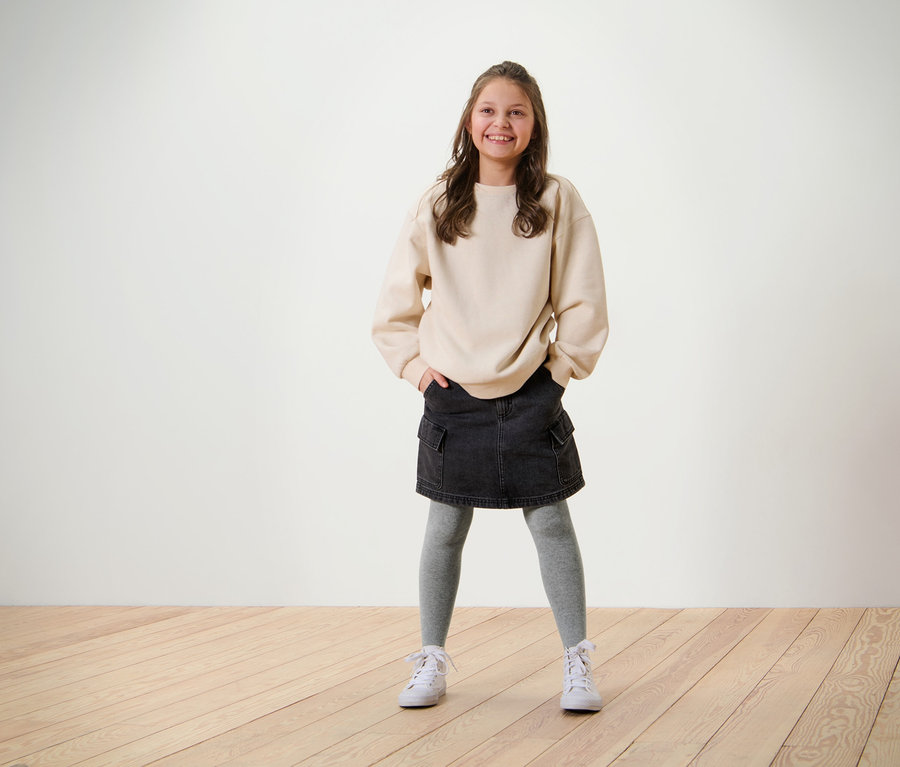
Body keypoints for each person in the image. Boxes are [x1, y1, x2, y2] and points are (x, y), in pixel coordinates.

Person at [372, 61, 609, 712]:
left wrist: (558, 371)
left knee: (552, 523)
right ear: (469, 121)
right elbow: (393, 306)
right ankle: (431, 658)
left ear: (534, 127)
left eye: (517, 112)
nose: (501, 122)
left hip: (531, 390)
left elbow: (584, 299)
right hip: (453, 395)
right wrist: (418, 369)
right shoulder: (440, 202)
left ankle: (577, 661)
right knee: (444, 528)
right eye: (489, 110)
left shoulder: (558, 201)